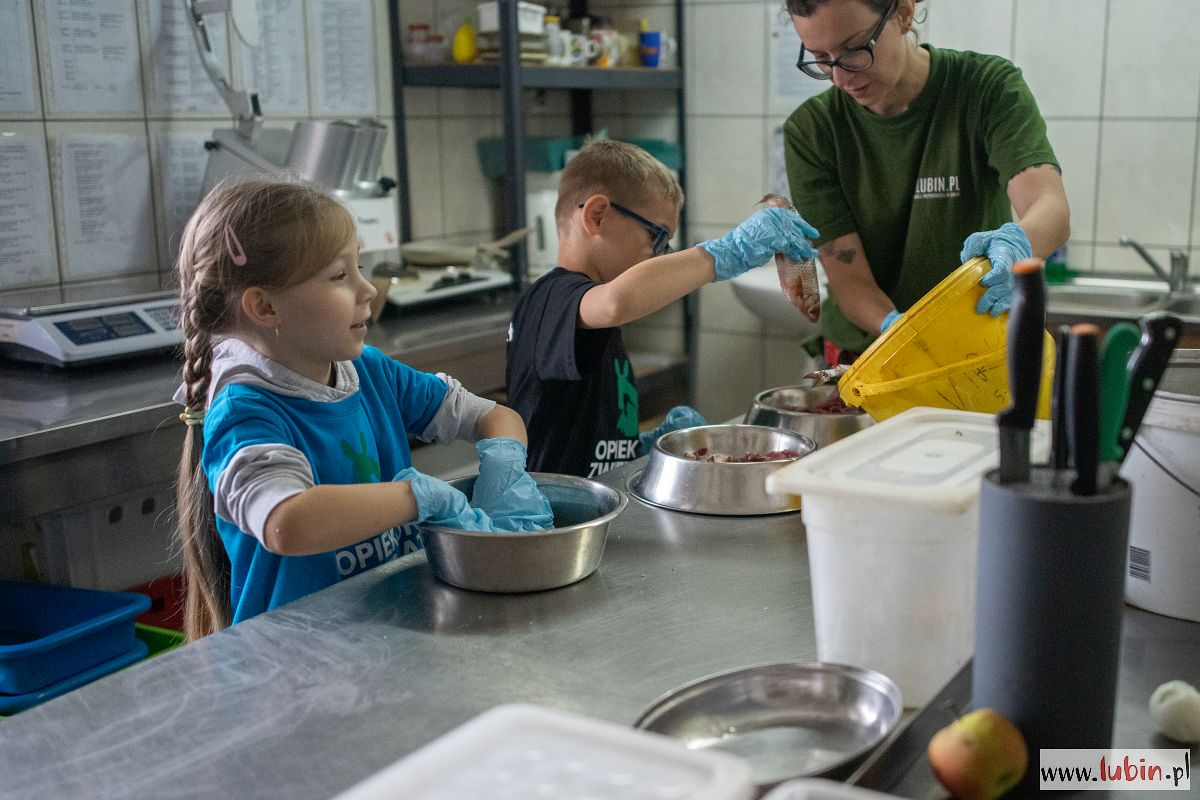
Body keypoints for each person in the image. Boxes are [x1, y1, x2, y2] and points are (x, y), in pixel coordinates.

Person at [174, 179, 551, 640]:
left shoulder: (368, 372)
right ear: (265, 306)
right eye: (339, 276)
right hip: (296, 662)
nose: (368, 289)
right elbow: (288, 522)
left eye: (360, 267)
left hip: (386, 635)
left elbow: (493, 416)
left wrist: (505, 466)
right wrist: (422, 498)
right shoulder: (246, 411)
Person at [506, 139, 819, 478]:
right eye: (657, 237)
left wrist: (636, 446)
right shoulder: (551, 297)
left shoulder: (585, 314)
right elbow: (615, 303)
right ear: (597, 216)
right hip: (553, 512)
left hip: (595, 499)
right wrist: (722, 254)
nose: (658, 255)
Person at [783, 0, 1070, 363]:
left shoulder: (986, 89)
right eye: (820, 57)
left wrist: (1018, 245)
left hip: (978, 351)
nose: (840, 78)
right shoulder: (813, 131)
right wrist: (902, 332)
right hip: (869, 355)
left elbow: (1050, 207)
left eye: (854, 49)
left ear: (903, 13)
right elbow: (849, 279)